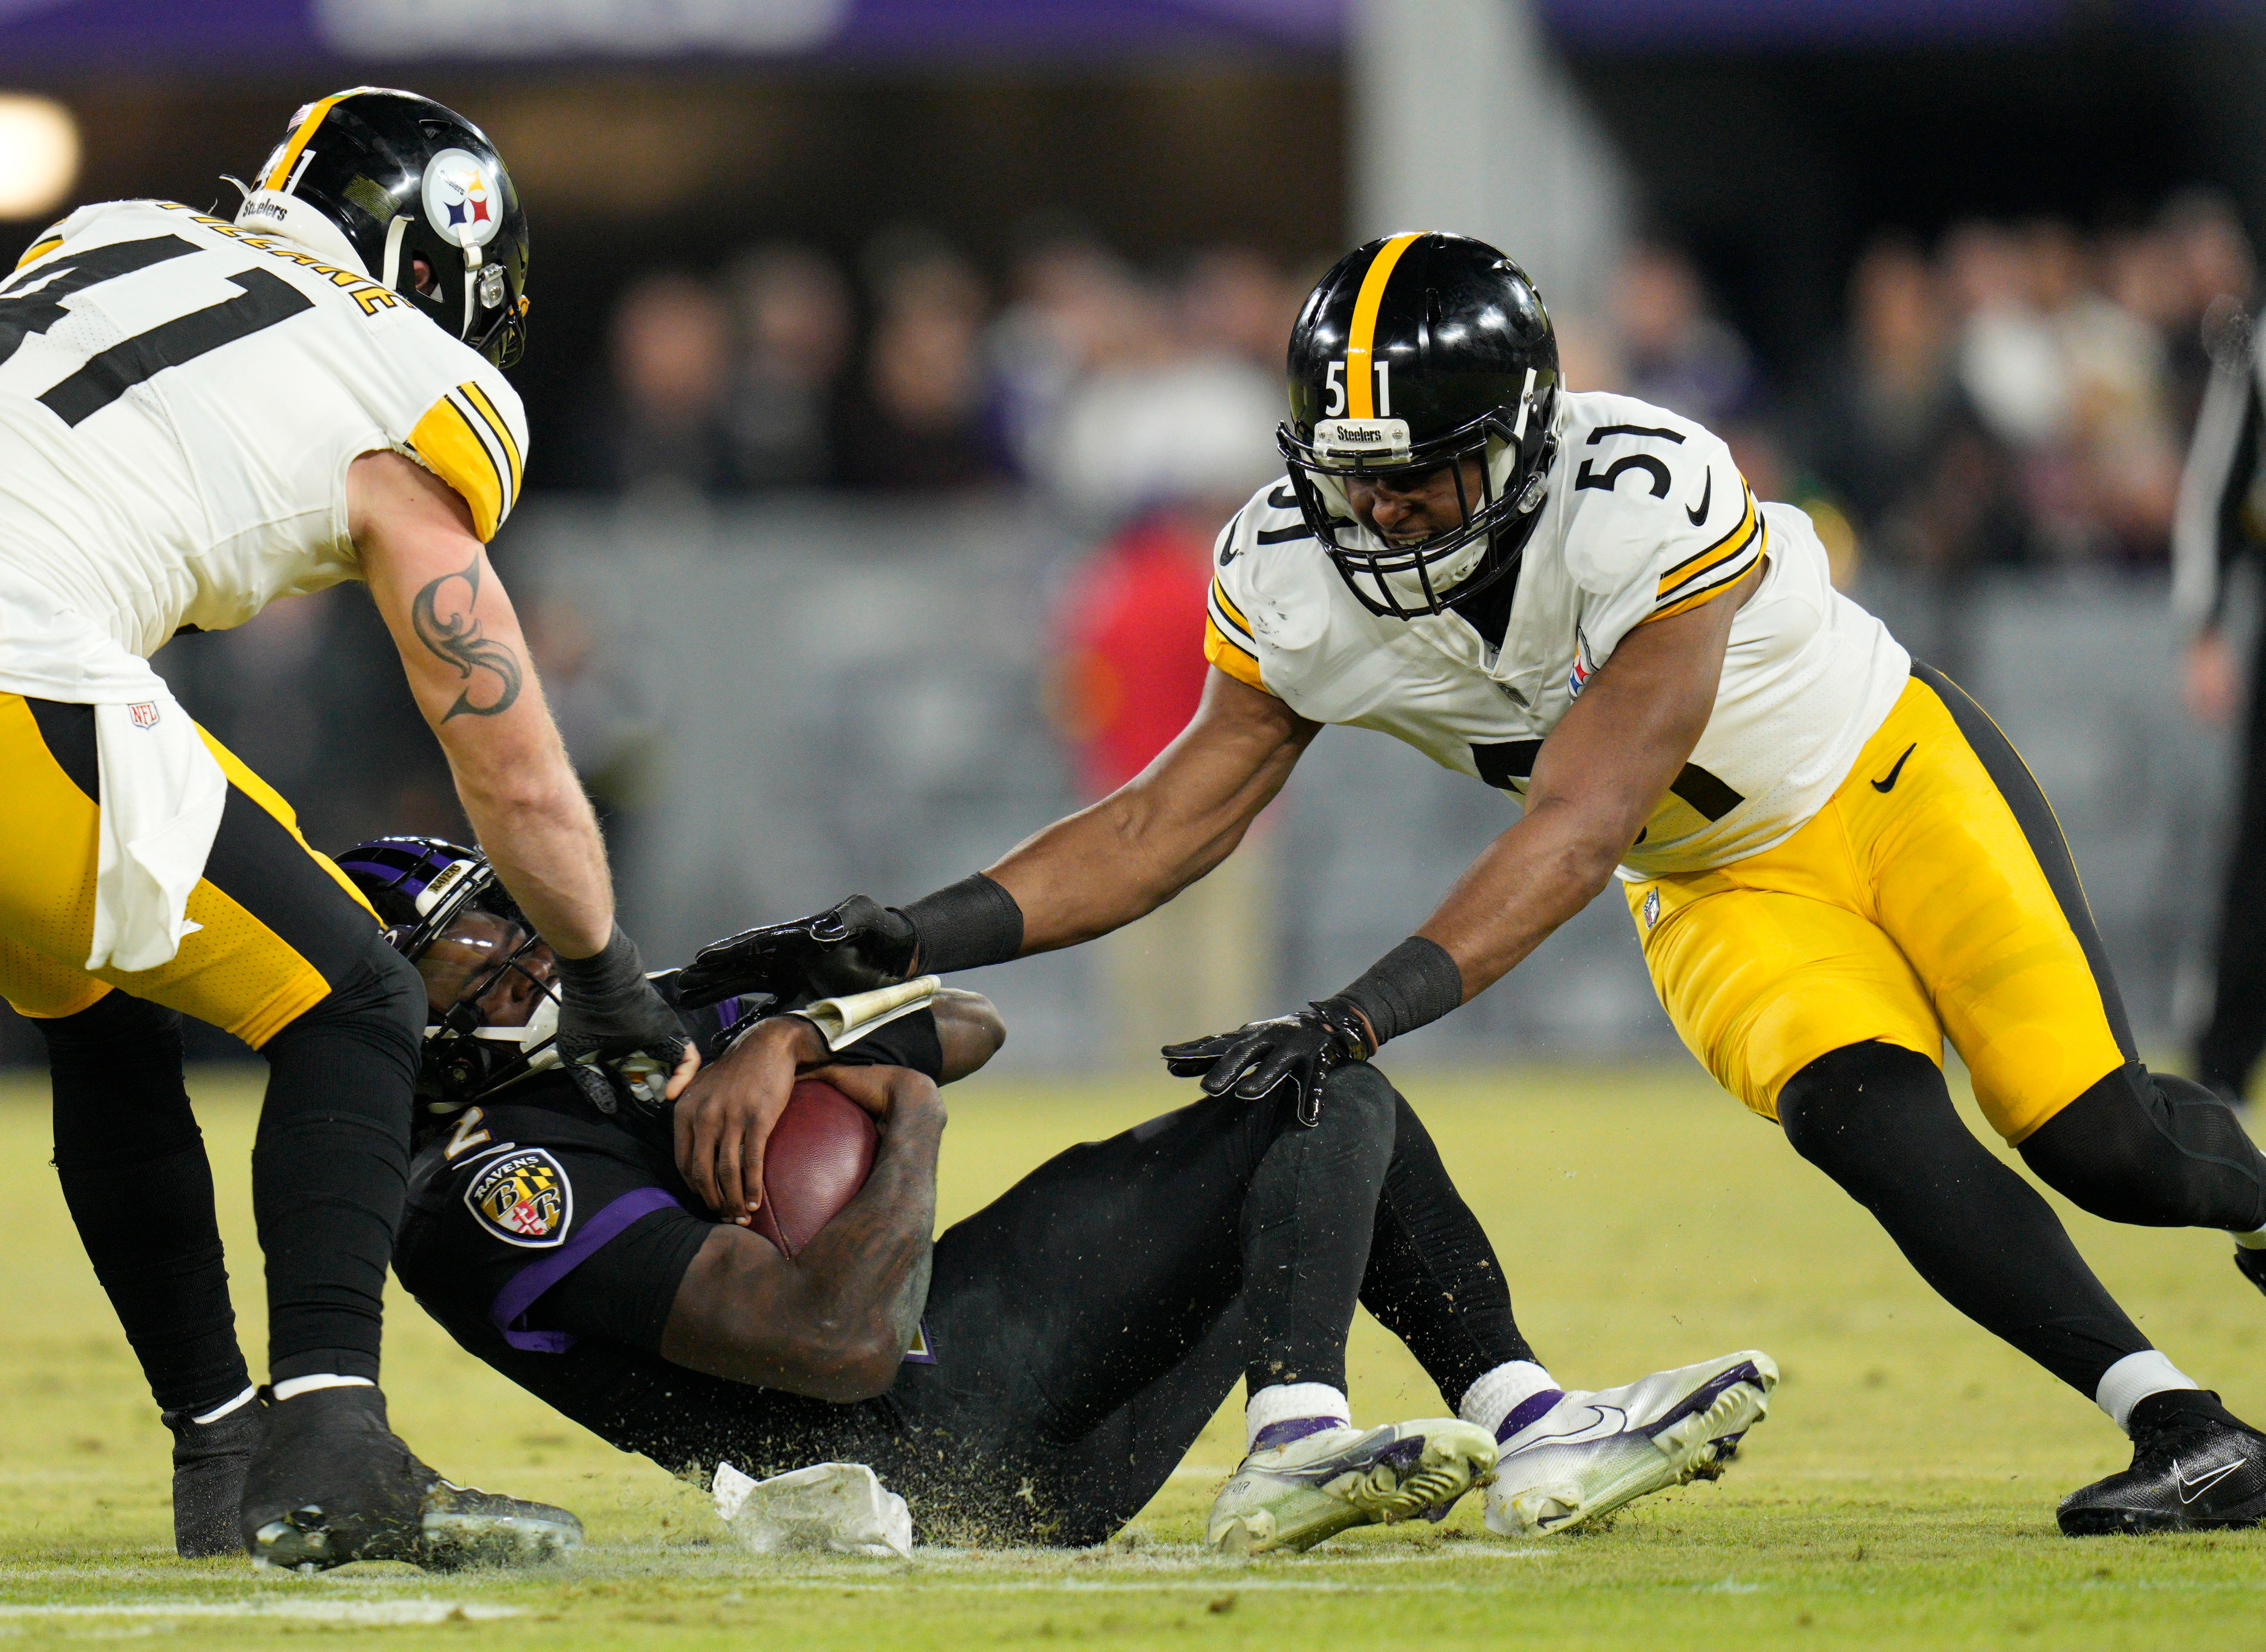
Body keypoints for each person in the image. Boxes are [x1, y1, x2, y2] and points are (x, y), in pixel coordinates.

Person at [679, 232, 2266, 1536]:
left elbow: (1575, 824)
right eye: (1352, 474)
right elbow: (1168, 821)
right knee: (1880, 1136)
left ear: (1519, 437)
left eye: (1419, 476)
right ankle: (2188, 1429)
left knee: (2103, 1140)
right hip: (1715, 887)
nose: (1380, 513)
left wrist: (1359, 1019)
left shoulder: (1645, 494)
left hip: (1882, 779)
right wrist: (912, 926)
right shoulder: (1294, 568)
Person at [0, 88, 700, 1566]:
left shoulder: (114, 231)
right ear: (448, 264)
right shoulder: (414, 381)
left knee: (96, 999)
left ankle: (222, 1453)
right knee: (354, 996)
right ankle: (334, 1445)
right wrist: (600, 969)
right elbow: (508, 752)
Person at [332, 837, 1776, 1552]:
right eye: (476, 951)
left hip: (1022, 1471)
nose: (524, 953)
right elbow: (836, 1347)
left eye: (512, 919)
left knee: (1327, 1098)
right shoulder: (483, 1187)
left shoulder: (625, 1035)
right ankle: (1306, 1437)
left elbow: (965, 1015)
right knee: (1317, 1089)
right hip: (917, 1435)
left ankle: (1529, 1420)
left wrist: (787, 1038)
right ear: (402, 1000)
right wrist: (897, 1114)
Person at [2174, 299, 2266, 1101]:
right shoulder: (2259, 333)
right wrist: (2202, 624)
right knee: (2259, 848)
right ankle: (2225, 1060)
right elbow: (2216, 481)